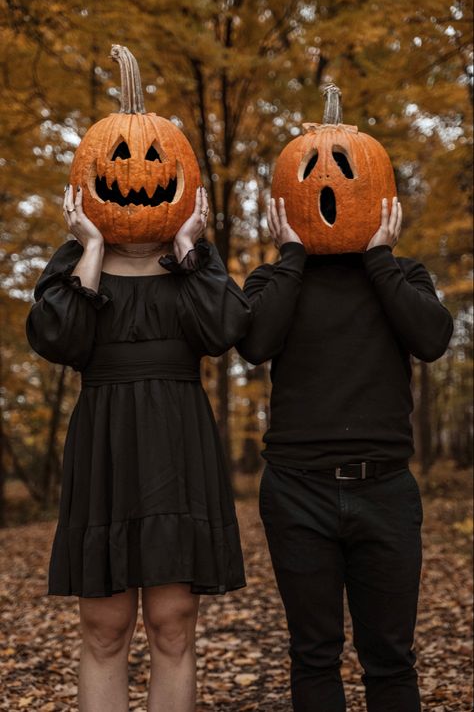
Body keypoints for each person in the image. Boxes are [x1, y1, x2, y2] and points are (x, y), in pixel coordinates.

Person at [26, 183, 250, 712]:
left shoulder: (194, 260)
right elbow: (60, 341)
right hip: (104, 444)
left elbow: (225, 331)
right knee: (104, 629)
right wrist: (94, 248)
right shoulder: (76, 263)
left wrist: (188, 245)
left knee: (172, 626)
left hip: (177, 442)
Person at [237, 195, 453, 712]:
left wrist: (380, 259)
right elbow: (254, 343)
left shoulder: (402, 274)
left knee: (391, 658)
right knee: (313, 655)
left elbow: (432, 338)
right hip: (296, 491)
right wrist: (291, 256)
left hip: (386, 491)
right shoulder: (272, 280)